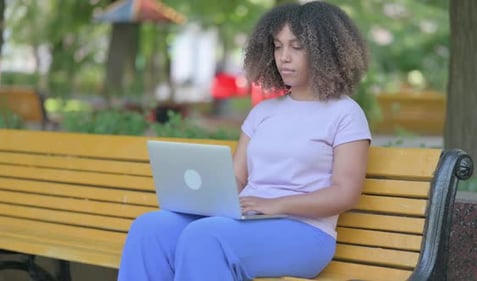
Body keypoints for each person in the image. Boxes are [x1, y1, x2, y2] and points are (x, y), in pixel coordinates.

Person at [117, 1, 371, 280]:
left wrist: (276, 205)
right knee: (150, 228)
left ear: (326, 51)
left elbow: (345, 192)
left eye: (296, 47)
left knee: (206, 237)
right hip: (247, 219)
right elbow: (238, 176)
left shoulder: (345, 113)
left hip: (305, 231)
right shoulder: (263, 112)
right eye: (277, 46)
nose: (284, 57)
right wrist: (207, 199)